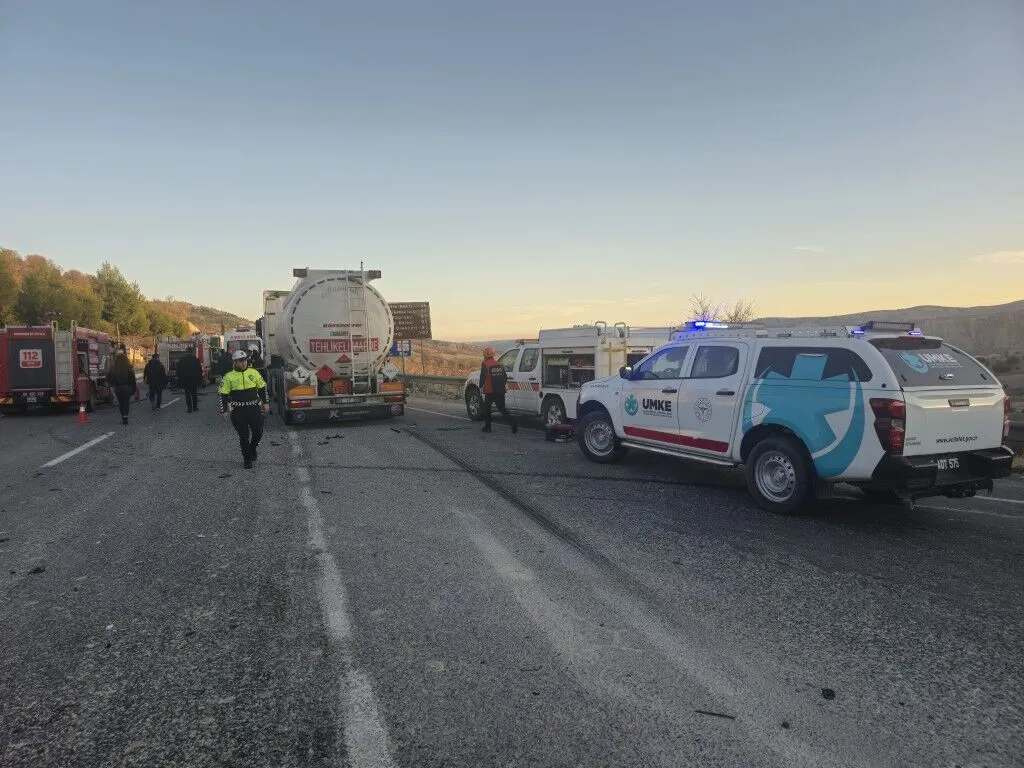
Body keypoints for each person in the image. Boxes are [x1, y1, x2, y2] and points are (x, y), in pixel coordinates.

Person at [219, 349, 270, 469]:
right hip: (238, 411)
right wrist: (224, 410)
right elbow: (222, 394)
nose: (243, 363)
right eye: (240, 361)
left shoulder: (254, 373)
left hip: (254, 408)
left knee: (258, 432)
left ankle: (252, 449)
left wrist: (266, 403)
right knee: (244, 436)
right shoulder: (228, 376)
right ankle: (247, 458)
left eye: (245, 360)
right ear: (235, 362)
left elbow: (263, 388)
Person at [479, 347, 517, 434]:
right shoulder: (499, 364)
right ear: (493, 354)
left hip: (490, 391)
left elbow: (482, 377)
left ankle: (487, 427)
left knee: (487, 409)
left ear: (485, 355)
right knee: (502, 409)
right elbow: (505, 377)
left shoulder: (485, 364)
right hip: (500, 391)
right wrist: (501, 385)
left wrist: (481, 388)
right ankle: (513, 423)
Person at [108, 347, 137, 425]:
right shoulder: (129, 367)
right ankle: (125, 417)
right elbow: (133, 379)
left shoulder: (114, 367)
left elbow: (110, 377)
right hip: (127, 388)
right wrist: (134, 389)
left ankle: (123, 417)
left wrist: (112, 385)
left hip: (118, 388)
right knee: (126, 403)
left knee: (121, 403)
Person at [175, 347, 203, 413]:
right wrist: (199, 379)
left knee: (187, 394)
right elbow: (200, 370)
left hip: (185, 379)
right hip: (194, 379)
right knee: (194, 393)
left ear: (186, 351)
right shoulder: (196, 360)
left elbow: (178, 370)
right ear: (192, 351)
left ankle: (189, 408)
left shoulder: (182, 359)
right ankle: (195, 407)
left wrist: (180, 378)